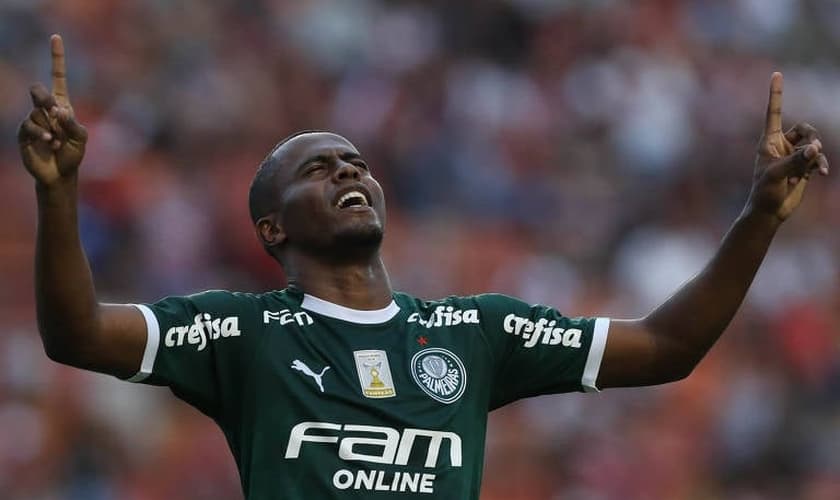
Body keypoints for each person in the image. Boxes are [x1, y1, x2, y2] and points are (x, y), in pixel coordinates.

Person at [18, 35, 830, 500]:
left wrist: (758, 217)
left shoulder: (472, 331)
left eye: (356, 161)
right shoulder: (240, 332)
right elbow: (78, 335)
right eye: (319, 168)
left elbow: (665, 349)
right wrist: (59, 198)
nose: (347, 171)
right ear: (271, 229)